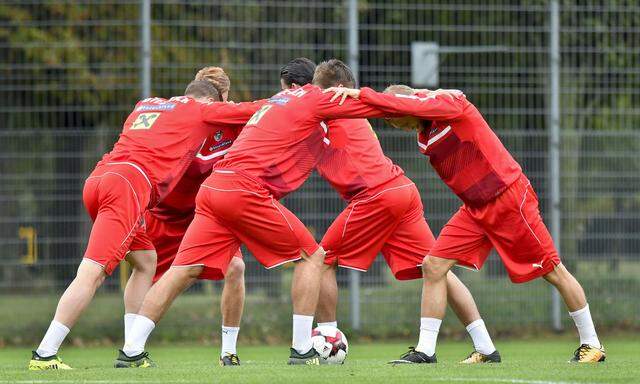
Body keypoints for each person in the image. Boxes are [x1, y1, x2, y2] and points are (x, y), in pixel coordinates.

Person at [120, 59, 399, 366]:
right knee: (312, 257)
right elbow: (376, 107)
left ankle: (131, 349)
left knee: (182, 270)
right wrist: (425, 102)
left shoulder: (277, 102)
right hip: (245, 190)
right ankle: (302, 348)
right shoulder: (314, 99)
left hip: (214, 189)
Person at [327, 84, 605, 363]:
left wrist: (365, 94)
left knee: (553, 270)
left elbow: (424, 102)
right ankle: (438, 351)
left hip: (508, 198)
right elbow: (416, 105)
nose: (390, 121)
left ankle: (592, 344)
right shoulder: (424, 131)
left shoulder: (450, 104)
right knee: (433, 266)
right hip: (475, 209)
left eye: (391, 114)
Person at [29, 80, 263, 370]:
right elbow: (259, 110)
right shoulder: (201, 110)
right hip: (127, 186)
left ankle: (132, 350)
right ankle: (45, 353)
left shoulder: (147, 104)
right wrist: (304, 96)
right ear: (211, 101)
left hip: (99, 179)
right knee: (92, 272)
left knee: (145, 260)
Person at [281, 58, 500, 364]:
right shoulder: (342, 111)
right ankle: (486, 347)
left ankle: (327, 336)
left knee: (322, 259)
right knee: (436, 269)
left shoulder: (325, 107)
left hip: (376, 196)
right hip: (400, 191)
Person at [125, 67, 246, 367]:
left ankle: (228, 351)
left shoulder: (234, 121)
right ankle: (132, 347)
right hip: (163, 213)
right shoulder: (179, 115)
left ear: (226, 96)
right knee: (145, 272)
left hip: (206, 214)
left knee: (236, 267)